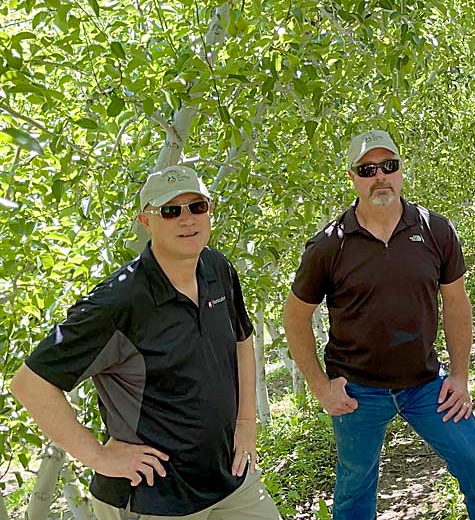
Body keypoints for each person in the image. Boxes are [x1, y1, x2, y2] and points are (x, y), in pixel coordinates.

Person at [10, 165, 279, 519]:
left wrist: (246, 424)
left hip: (229, 476)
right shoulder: (118, 301)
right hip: (155, 497)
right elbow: (30, 384)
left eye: (197, 206)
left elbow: (242, 338)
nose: (187, 219)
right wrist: (98, 457)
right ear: (146, 221)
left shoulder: (216, 268)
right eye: (170, 210)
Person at [282, 130, 475, 520]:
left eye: (389, 166)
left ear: (402, 171)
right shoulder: (329, 245)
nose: (380, 177)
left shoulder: (435, 230)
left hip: (426, 383)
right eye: (368, 169)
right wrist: (321, 387)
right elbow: (295, 317)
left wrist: (459, 376)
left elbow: (456, 304)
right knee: (355, 487)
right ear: (353, 177)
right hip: (357, 391)